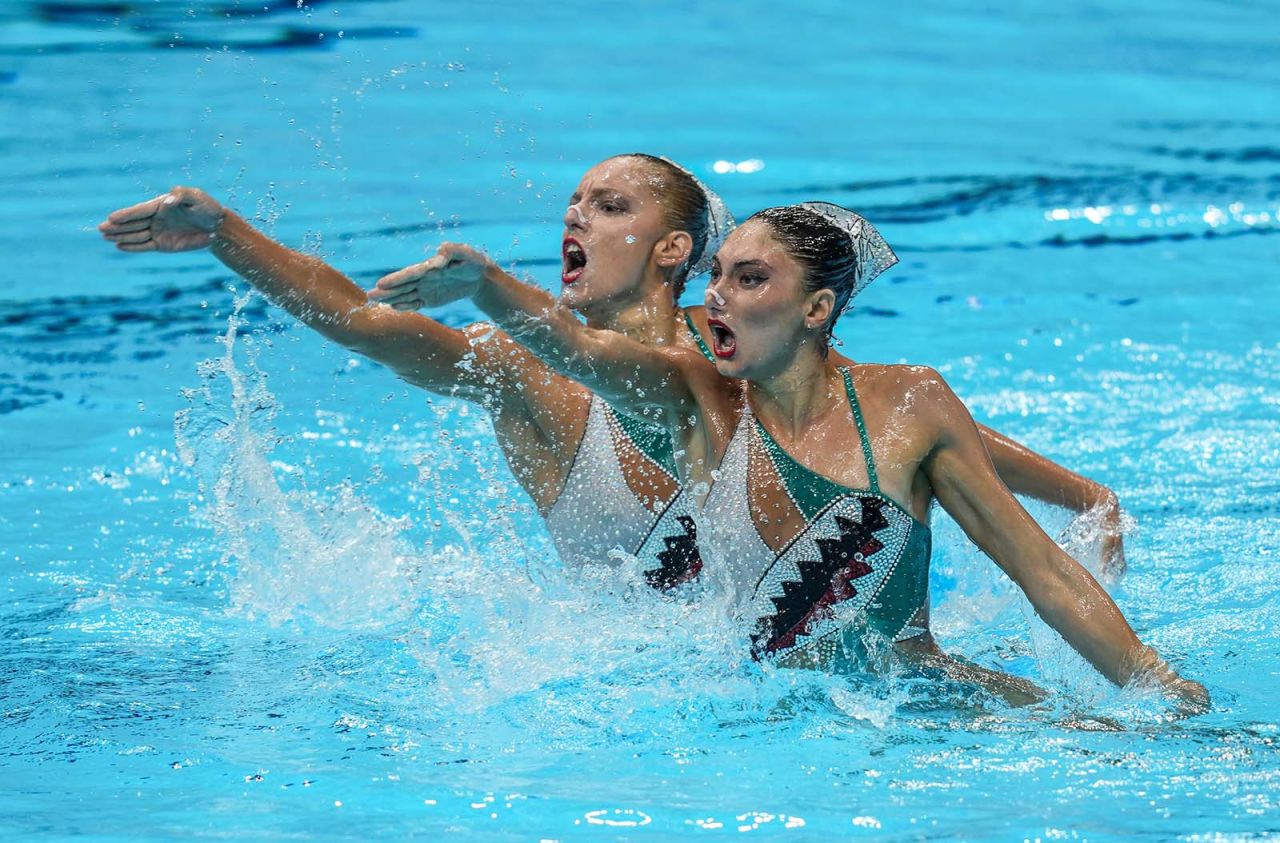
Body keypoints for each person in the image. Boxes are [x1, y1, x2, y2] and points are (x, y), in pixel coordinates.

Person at [99, 154, 1124, 588]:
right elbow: (363, 320)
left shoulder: (735, 359)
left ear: (674, 249)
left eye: (606, 205)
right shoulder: (521, 374)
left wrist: (1083, 498)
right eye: (571, 205)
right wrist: (223, 232)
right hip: (650, 695)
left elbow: (894, 424)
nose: (572, 219)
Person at [381, 202, 1207, 713]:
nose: (716, 296)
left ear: (816, 307)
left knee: (1111, 741)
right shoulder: (693, 397)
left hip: (927, 695)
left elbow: (1044, 572)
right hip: (763, 715)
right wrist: (487, 287)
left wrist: (1156, 683)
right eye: (718, 277)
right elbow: (573, 348)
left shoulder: (907, 403)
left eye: (749, 279)